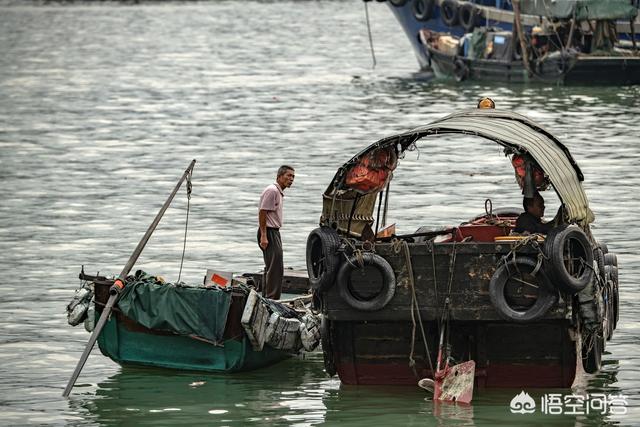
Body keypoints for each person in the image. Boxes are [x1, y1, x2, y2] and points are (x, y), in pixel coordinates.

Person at [257, 165, 295, 300]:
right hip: (269, 232)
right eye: (288, 176)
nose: (291, 179)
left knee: (272, 266)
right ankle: (272, 300)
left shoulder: (278, 192)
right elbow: (262, 212)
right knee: (275, 269)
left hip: (273, 232)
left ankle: (267, 298)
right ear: (279, 176)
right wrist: (264, 235)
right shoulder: (272, 191)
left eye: (293, 177)